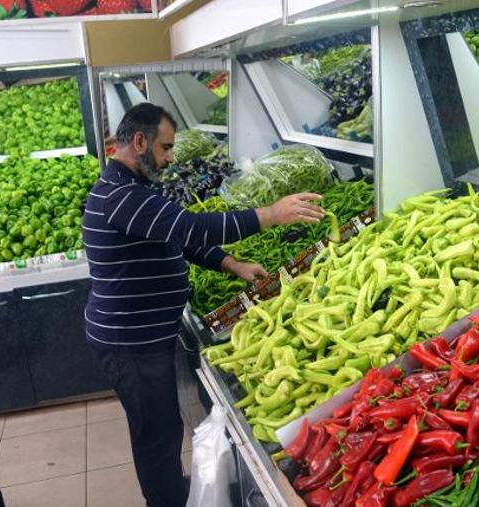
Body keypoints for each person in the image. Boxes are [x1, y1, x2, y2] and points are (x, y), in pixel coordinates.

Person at [83, 103, 325, 507]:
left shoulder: (132, 189)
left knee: (161, 427)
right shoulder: (122, 196)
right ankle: (166, 502)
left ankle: (170, 496)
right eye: (165, 147)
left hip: (139, 337)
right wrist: (270, 214)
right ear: (139, 141)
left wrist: (232, 264)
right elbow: (190, 227)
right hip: (131, 343)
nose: (171, 157)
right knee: (156, 435)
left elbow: (174, 238)